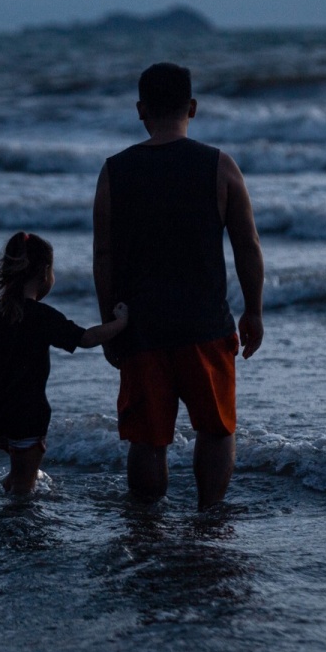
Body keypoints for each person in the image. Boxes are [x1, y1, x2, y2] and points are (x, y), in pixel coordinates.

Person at [93, 62, 264, 510]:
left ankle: (148, 525)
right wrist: (253, 310)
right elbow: (247, 245)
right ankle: (209, 515)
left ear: (140, 110)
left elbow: (104, 255)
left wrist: (109, 322)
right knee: (216, 429)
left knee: (148, 438)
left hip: (141, 328)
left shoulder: (115, 172)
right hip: (205, 326)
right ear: (192, 107)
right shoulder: (219, 166)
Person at [0, 231, 128, 494]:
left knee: (18, 472)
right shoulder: (42, 316)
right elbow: (86, 338)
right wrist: (120, 324)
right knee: (24, 486)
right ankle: (11, 512)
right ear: (45, 273)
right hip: (28, 415)